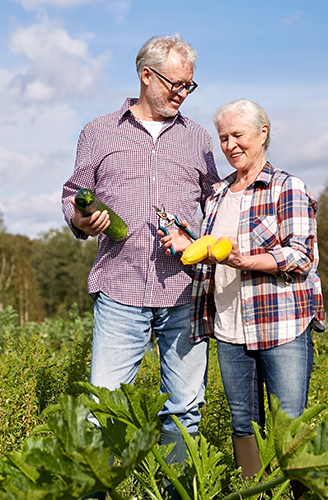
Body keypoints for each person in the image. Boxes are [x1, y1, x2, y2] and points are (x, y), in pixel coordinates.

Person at [60, 34, 220, 495]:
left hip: (184, 292)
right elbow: (73, 193)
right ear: (146, 75)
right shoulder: (99, 131)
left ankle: (176, 494)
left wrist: (200, 238)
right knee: (103, 409)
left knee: (185, 408)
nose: (182, 93)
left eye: (190, 86)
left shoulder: (198, 138)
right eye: (175, 83)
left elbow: (214, 201)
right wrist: (82, 217)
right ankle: (100, 492)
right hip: (120, 289)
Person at [161, 99, 324, 494]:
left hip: (281, 325)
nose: (231, 145)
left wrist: (244, 259)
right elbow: (208, 264)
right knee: (243, 424)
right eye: (224, 138)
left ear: (262, 133)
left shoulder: (288, 187)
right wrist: (187, 247)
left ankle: (300, 494)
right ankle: (258, 493)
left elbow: (302, 255)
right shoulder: (216, 196)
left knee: (289, 422)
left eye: (239, 135)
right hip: (230, 329)